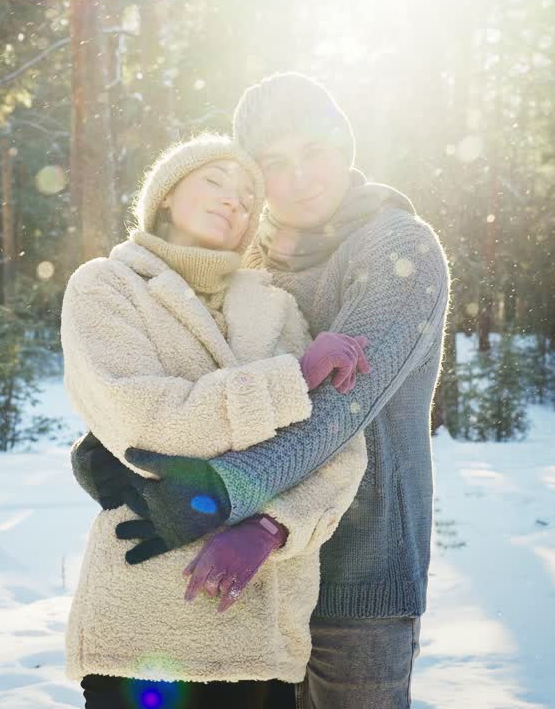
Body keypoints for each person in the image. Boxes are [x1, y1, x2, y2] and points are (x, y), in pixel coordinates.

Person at [81, 74, 451, 708]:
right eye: (275, 164)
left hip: (356, 575)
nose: (301, 176)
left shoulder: (398, 247)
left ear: (346, 146)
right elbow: (202, 379)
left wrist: (223, 499)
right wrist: (106, 442)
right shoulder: (252, 263)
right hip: (246, 590)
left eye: (314, 151)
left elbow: (339, 408)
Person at [60, 133, 371, 708]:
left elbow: (338, 445)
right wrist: (292, 380)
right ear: (166, 196)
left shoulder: (278, 309)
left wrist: (272, 525)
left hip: (262, 629)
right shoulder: (105, 287)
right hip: (145, 629)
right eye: (216, 181)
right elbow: (145, 421)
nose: (236, 200)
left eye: (251, 195)